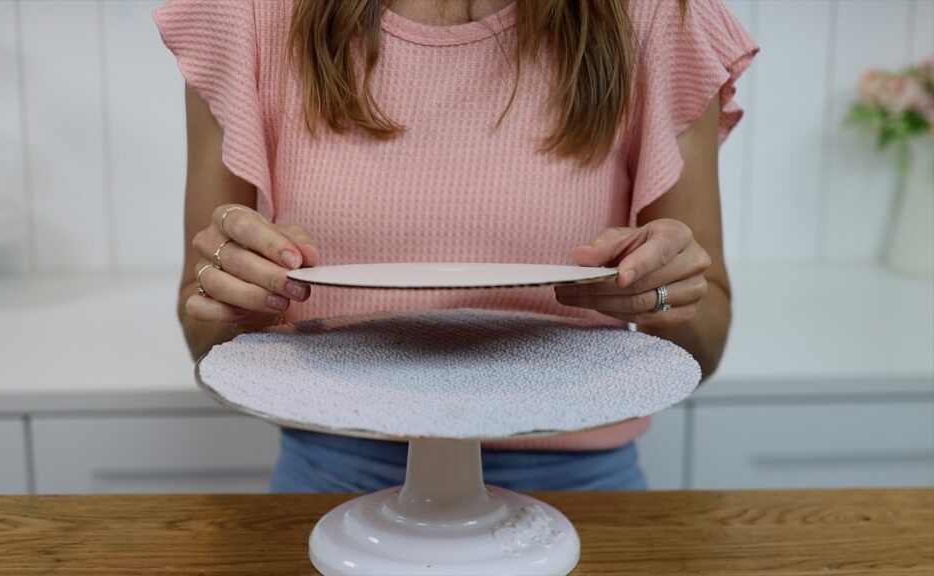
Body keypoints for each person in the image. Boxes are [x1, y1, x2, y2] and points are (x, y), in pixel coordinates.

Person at [154, 0, 758, 492]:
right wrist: (236, 288)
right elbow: (202, 329)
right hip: (330, 479)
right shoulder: (243, 14)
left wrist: (664, 290)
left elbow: (705, 344)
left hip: (580, 491)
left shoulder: (660, 18)